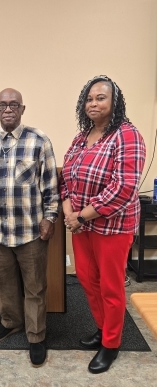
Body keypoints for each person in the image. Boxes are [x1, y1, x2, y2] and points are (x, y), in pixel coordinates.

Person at [59, 75, 146, 374]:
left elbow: (123, 187)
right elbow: (65, 178)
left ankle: (111, 343)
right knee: (86, 279)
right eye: (89, 98)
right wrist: (70, 213)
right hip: (81, 226)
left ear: (115, 102)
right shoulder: (82, 136)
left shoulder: (127, 135)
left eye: (101, 97)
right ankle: (102, 327)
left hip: (112, 227)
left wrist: (81, 215)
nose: (93, 103)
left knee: (110, 286)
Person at [0, 88, 59, 367]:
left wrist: (50, 217)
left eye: (14, 105)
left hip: (31, 231)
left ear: (23, 109)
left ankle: (36, 336)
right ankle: (11, 321)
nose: (8, 109)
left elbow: (50, 185)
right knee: (5, 283)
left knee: (35, 286)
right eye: (2, 105)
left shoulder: (39, 140)